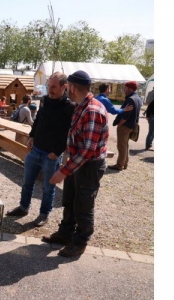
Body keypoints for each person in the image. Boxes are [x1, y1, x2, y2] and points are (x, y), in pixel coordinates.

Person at [44, 70, 109, 258]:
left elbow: (88, 150)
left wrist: (63, 171)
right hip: (77, 163)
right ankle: (65, 234)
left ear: (72, 87)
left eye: (68, 87)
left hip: (89, 166)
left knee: (83, 205)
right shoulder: (81, 105)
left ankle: (80, 242)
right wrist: (67, 163)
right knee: (70, 201)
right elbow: (75, 139)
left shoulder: (92, 111)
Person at [6, 72, 76, 228]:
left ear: (64, 87)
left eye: (53, 87)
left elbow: (68, 133)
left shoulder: (69, 107)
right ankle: (23, 207)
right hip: (36, 150)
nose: (50, 89)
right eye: (48, 86)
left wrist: (57, 152)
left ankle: (44, 214)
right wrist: (31, 136)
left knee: (47, 188)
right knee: (26, 183)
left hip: (51, 155)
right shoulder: (44, 100)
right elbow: (38, 120)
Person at [109, 81, 143, 171]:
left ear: (130, 88)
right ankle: (124, 163)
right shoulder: (138, 98)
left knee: (121, 146)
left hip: (125, 126)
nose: (124, 89)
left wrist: (120, 124)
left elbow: (126, 115)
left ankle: (119, 165)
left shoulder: (131, 99)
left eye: (125, 87)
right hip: (131, 125)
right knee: (125, 145)